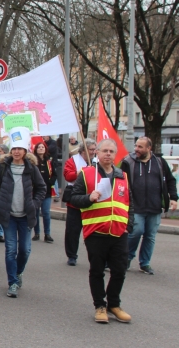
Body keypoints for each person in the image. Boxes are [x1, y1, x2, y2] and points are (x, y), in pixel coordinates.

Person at [70, 139, 133, 324]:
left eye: (111, 151)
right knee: (97, 271)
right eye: (104, 150)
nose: (108, 154)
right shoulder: (87, 173)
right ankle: (100, 306)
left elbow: (130, 203)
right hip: (96, 231)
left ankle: (114, 304)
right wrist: (89, 197)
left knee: (120, 270)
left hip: (119, 232)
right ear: (96, 152)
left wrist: (129, 225)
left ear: (115, 154)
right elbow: (73, 198)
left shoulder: (123, 176)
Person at [0, 127, 46, 298]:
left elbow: (41, 188)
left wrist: (35, 204)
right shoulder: (3, 166)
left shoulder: (31, 168)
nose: (16, 152)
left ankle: (19, 272)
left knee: (25, 250)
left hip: (26, 216)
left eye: (19, 149)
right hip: (8, 216)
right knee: (10, 249)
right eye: (14, 148)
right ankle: (12, 282)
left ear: (25, 151)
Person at [121, 137, 177, 275]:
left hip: (155, 206)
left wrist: (174, 198)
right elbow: (120, 181)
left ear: (148, 148)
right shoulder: (128, 162)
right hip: (135, 206)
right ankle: (127, 258)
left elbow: (170, 180)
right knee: (136, 232)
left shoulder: (160, 162)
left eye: (140, 147)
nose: (136, 149)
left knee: (150, 236)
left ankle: (145, 263)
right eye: (136, 146)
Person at [63, 138, 96, 266]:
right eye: (90, 149)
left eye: (94, 149)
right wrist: (84, 171)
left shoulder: (97, 161)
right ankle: (72, 255)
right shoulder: (73, 161)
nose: (93, 152)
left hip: (92, 199)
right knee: (73, 230)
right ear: (83, 150)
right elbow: (68, 176)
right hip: (75, 200)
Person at [32, 142, 57, 243]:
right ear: (36, 149)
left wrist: (51, 182)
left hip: (47, 191)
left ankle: (47, 234)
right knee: (36, 212)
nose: (41, 149)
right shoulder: (33, 161)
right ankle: (36, 233)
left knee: (46, 212)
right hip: (35, 191)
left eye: (42, 147)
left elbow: (55, 174)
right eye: (39, 147)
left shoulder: (49, 161)